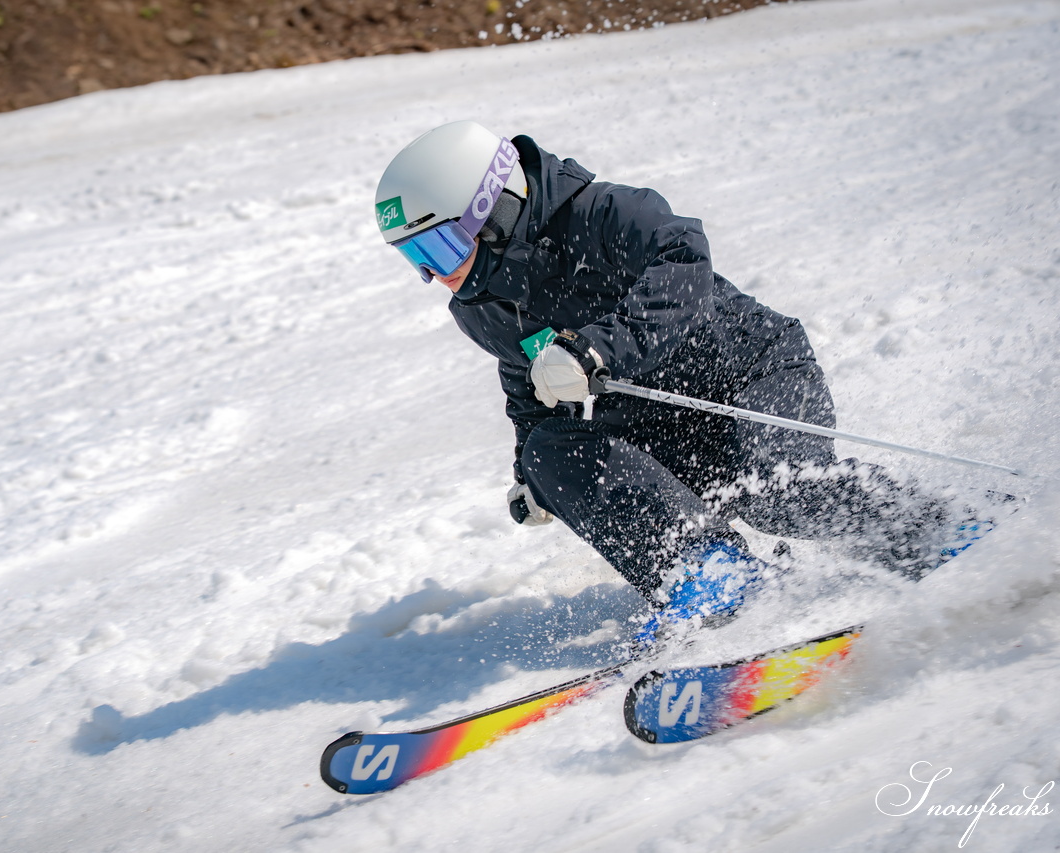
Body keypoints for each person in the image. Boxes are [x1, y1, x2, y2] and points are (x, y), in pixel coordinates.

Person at [374, 120, 955, 649]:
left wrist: (598, 348)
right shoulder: (478, 304)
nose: (435, 274)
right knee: (549, 453)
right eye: (414, 260)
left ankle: (930, 531)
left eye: (439, 246)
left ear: (496, 209)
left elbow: (683, 258)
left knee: (776, 488)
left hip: (749, 377)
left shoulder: (600, 214)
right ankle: (709, 573)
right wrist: (529, 472)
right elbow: (525, 377)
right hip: (656, 423)